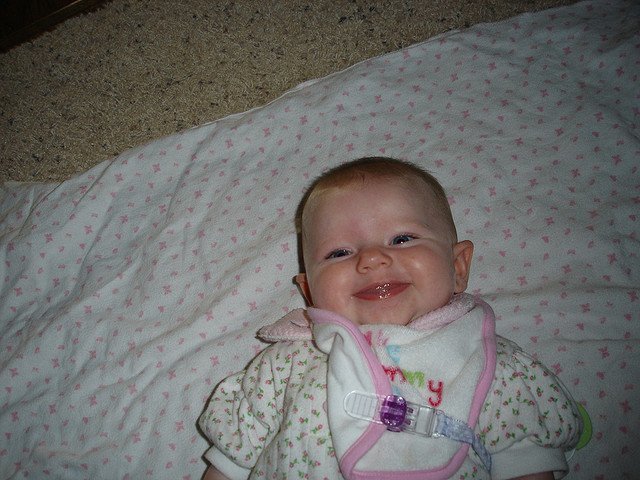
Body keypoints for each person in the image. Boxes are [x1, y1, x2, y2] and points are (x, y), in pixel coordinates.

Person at [198, 157, 583, 480]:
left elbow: (527, 466)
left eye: (402, 239)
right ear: (309, 291)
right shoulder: (285, 366)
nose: (372, 258)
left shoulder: (491, 366)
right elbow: (230, 462)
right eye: (339, 253)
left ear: (457, 266)